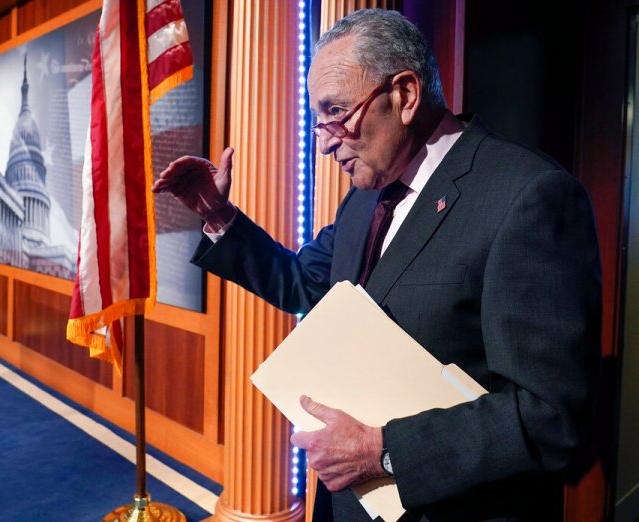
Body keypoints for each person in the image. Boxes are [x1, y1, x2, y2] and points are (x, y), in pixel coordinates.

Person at [152, 8, 601, 522]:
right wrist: (219, 216)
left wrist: (382, 450)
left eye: (336, 112)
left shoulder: (529, 196)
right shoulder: (367, 196)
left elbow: (549, 416)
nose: (322, 142)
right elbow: (304, 283)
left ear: (405, 95)